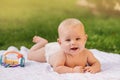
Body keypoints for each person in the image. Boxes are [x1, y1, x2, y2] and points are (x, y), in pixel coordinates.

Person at [28, 18, 101, 74]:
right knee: (30, 56)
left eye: (78, 39)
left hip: (64, 47)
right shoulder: (62, 54)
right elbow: (57, 68)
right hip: (51, 51)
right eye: (68, 40)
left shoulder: (86, 53)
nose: (73, 43)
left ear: (85, 39)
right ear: (60, 42)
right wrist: (72, 70)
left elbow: (96, 63)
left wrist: (94, 68)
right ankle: (42, 42)